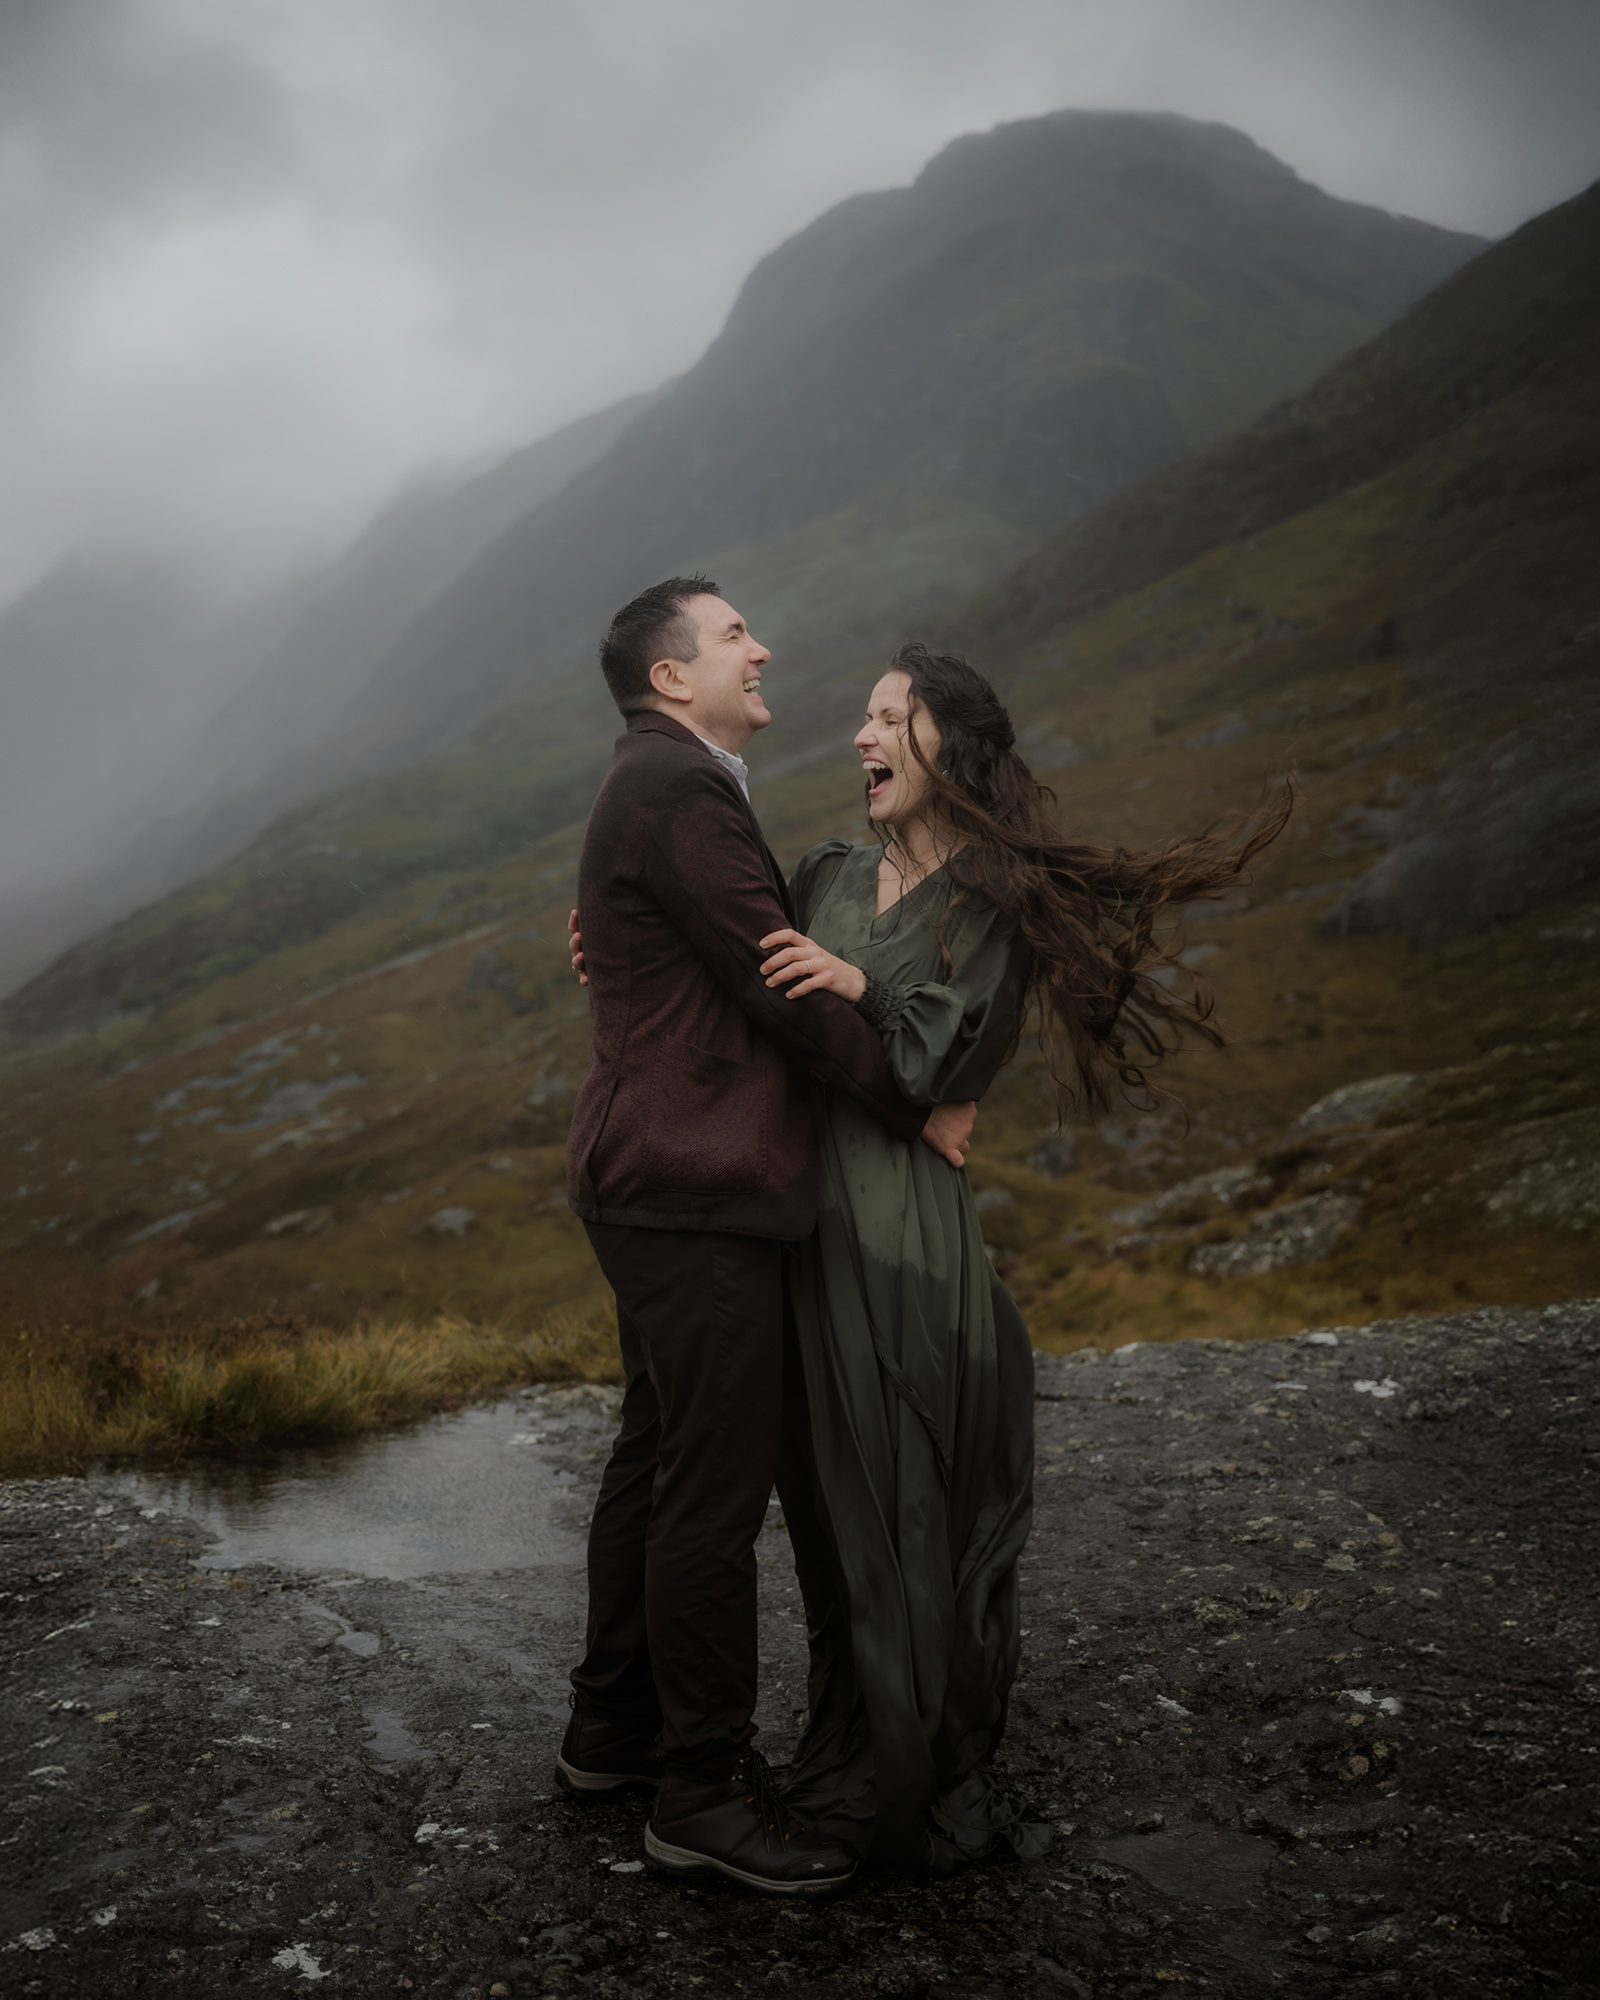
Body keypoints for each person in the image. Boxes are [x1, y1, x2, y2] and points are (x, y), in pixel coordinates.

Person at [750, 642, 1289, 1871]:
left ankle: (901, 1776)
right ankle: (841, 1746)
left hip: (901, 1244)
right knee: (830, 1521)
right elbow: (745, 1000)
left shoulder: (994, 900)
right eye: (864, 717)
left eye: (893, 716)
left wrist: (859, 993)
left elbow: (942, 1063)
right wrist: (618, 947)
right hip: (799, 1237)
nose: (862, 736)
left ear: (953, 745)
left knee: (910, 1509)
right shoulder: (827, 871)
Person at [559, 578, 976, 1898]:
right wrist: (918, 1093)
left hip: (654, 1176)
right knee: (711, 1491)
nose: (764, 646)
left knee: (658, 1456)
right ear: (672, 676)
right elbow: (778, 979)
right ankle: (697, 1795)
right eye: (735, 633)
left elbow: (700, 955)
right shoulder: (680, 790)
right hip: (692, 1186)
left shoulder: (664, 783)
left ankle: (611, 1735)